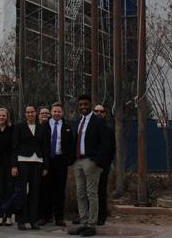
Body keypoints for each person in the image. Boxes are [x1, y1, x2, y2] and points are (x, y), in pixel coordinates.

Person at [68, 94, 110, 237]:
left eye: (85, 104)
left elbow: (105, 143)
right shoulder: (79, 121)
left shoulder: (98, 121)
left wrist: (97, 161)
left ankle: (92, 225)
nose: (83, 107)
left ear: (90, 105)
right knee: (80, 193)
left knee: (92, 194)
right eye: (80, 105)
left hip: (91, 161)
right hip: (78, 161)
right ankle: (83, 222)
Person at [12, 104, 50, 231]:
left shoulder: (42, 127)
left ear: (36, 113)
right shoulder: (19, 127)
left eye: (32, 112)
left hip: (37, 162)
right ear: (25, 114)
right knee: (21, 192)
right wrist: (14, 165)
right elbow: (14, 147)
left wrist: (45, 166)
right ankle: (21, 220)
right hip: (22, 161)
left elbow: (45, 147)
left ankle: (33, 221)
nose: (30, 114)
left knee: (35, 193)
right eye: (27, 112)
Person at [38, 102, 75, 227]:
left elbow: (71, 145)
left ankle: (59, 218)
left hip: (60, 162)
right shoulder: (43, 126)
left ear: (62, 113)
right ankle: (44, 216)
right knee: (45, 189)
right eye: (55, 111)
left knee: (59, 191)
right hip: (46, 161)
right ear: (51, 112)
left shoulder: (67, 127)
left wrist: (68, 160)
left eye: (59, 111)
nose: (57, 113)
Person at [93, 104, 116, 226]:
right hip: (90, 165)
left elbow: (112, 148)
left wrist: (106, 163)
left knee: (101, 191)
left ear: (105, 114)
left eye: (101, 111)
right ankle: (88, 216)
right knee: (88, 191)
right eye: (96, 111)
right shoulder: (89, 127)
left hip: (102, 166)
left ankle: (101, 217)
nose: (99, 113)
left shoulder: (108, 130)